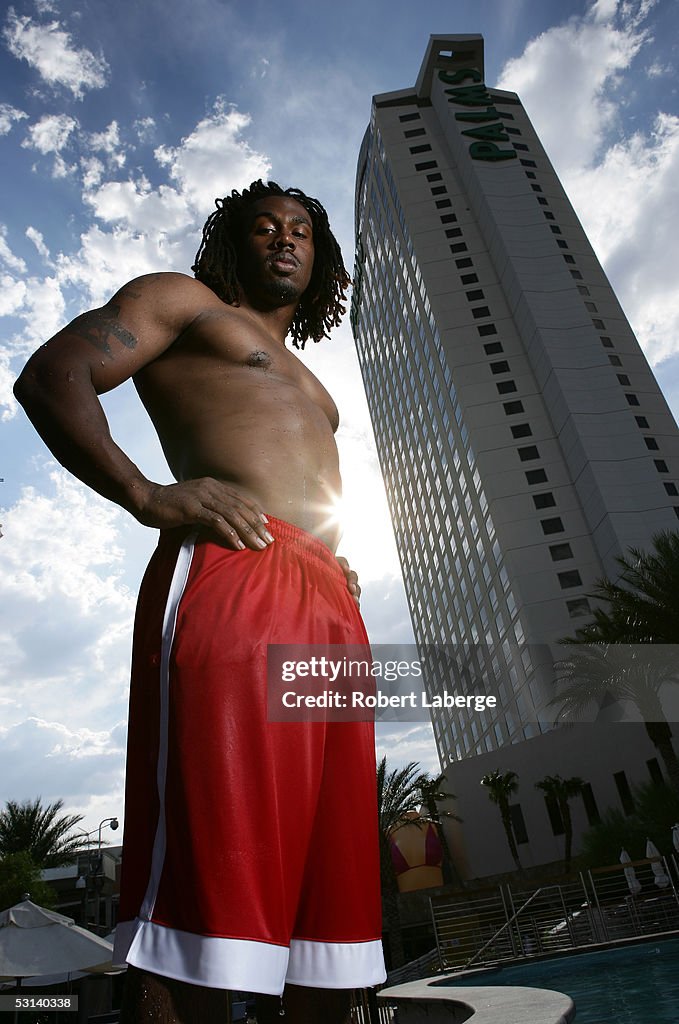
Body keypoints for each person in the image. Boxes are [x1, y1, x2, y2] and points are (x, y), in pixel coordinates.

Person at [13, 180, 386, 1024]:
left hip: (328, 603)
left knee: (331, 932)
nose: (284, 240)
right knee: (198, 912)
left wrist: (331, 561)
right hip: (235, 572)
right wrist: (145, 494)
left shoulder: (316, 385)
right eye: (264, 228)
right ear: (233, 244)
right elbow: (52, 374)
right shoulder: (181, 302)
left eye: (300, 231)